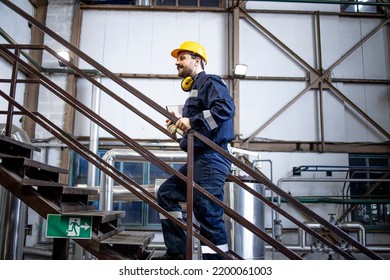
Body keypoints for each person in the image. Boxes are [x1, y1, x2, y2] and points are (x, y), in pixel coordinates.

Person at [154, 41, 235, 260]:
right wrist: (180, 123)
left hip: (211, 157)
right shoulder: (196, 89)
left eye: (182, 58)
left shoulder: (209, 81)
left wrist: (193, 122)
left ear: (197, 60)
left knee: (206, 211)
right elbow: (200, 121)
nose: (177, 62)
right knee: (167, 194)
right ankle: (178, 253)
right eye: (177, 59)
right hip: (199, 157)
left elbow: (225, 109)